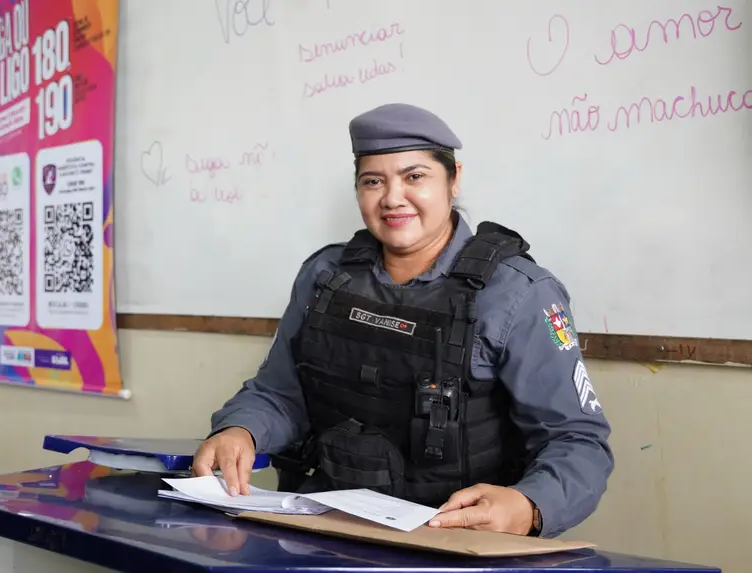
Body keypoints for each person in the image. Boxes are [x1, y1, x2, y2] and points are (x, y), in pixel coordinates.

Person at [192, 103, 614, 538]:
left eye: (414, 177)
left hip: (456, 542)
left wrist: (529, 507)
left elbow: (577, 442)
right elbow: (279, 394)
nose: (392, 198)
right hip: (326, 531)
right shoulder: (325, 275)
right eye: (373, 181)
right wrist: (241, 429)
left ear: (453, 179)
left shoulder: (519, 293)